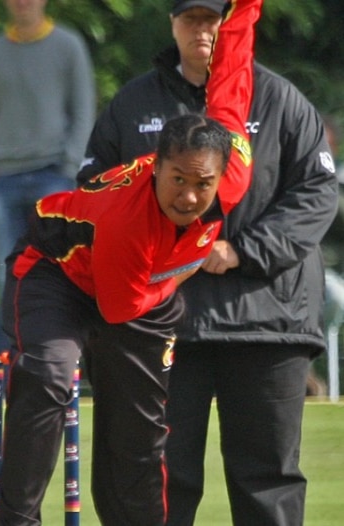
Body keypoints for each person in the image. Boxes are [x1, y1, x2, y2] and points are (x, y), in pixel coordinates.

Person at [0, 2, 258, 523]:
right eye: (176, 180)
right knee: (49, 375)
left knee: (139, 433)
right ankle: (17, 519)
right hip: (57, 271)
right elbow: (118, 310)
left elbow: (233, 71)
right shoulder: (127, 220)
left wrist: (246, 5)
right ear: (154, 167)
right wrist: (194, 258)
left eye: (202, 185)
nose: (188, 197)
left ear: (224, 176)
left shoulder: (230, 169)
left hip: (142, 286)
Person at [77, 0, 339, 524]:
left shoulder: (281, 99)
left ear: (233, 22)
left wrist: (242, 251)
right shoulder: (133, 104)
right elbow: (93, 196)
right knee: (158, 481)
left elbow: (317, 193)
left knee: (267, 482)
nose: (204, 29)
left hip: (267, 321)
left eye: (214, 17)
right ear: (172, 23)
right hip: (164, 324)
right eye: (191, 17)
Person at [0, 0, 96, 354]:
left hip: (53, 175)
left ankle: (59, 358)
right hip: (4, 180)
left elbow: (84, 110)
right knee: (5, 276)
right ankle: (9, 366)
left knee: (58, 273)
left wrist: (69, 166)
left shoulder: (68, 46)